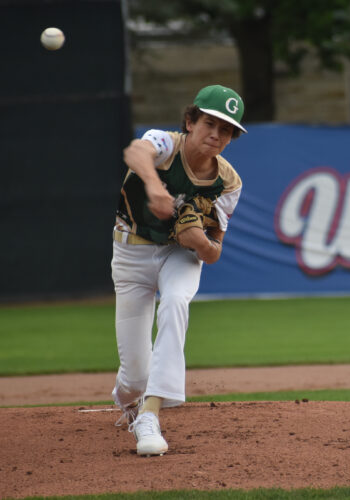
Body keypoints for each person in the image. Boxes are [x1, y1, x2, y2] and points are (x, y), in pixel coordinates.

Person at [111, 84, 247, 456]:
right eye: (209, 123)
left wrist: (199, 242)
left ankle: (149, 415)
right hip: (132, 251)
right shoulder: (166, 144)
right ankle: (129, 394)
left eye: (226, 129)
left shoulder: (228, 182)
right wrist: (155, 187)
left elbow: (214, 252)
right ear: (190, 121)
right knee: (135, 375)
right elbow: (135, 152)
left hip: (180, 254)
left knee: (175, 302)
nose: (216, 134)